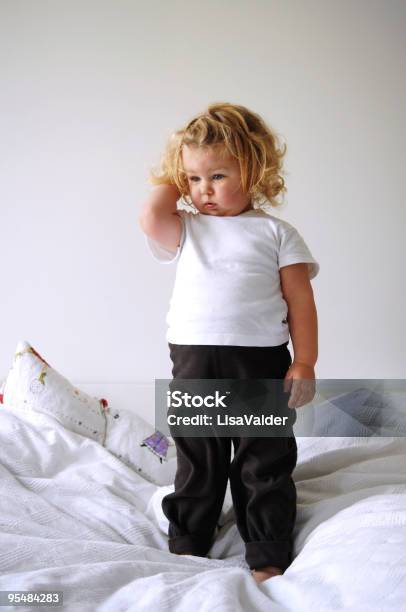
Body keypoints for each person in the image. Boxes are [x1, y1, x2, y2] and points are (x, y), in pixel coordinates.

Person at [138, 102, 319, 584]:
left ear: (255, 170)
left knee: (264, 454)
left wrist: (304, 362)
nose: (203, 191)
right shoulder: (187, 227)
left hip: (258, 360)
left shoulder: (276, 233)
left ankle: (266, 550)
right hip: (195, 358)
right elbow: (151, 214)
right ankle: (189, 540)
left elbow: (300, 301)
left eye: (217, 175)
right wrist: (177, 171)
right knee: (199, 452)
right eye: (192, 180)